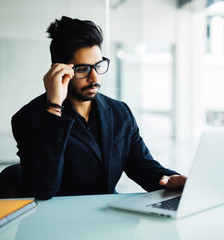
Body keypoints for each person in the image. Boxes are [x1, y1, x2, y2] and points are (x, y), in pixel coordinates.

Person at [11, 16, 186, 200]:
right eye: (83, 69)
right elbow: (42, 189)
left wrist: (171, 179)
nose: (94, 78)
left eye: (98, 66)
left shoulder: (119, 112)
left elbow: (142, 165)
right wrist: (54, 106)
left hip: (111, 216)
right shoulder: (30, 118)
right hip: (60, 221)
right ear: (60, 70)